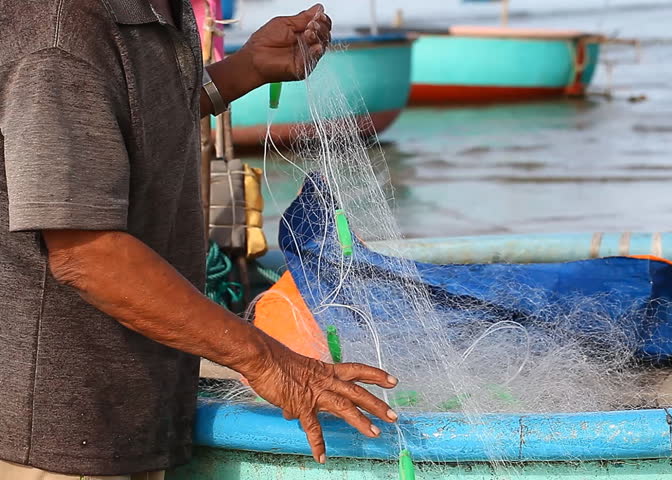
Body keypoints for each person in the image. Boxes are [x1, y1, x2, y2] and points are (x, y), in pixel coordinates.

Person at [0, 1, 398, 479]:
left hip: (135, 407)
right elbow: (88, 254)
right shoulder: (60, 34)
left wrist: (248, 68)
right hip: (60, 430)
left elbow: (139, 114)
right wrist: (271, 362)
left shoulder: (155, 10)